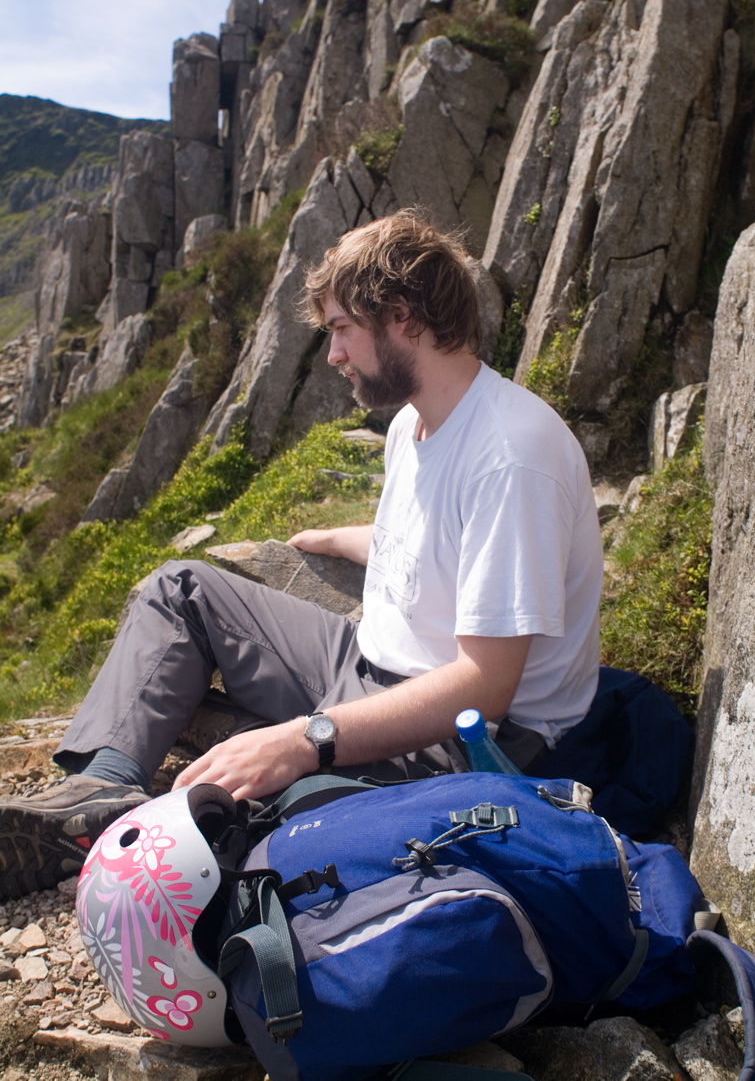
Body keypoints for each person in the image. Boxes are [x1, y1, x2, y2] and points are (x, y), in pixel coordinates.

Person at [0, 209, 603, 899]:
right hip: (365, 660)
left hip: (465, 739)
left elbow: (485, 684)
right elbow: (439, 552)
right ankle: (97, 792)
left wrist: (309, 736)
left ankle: (183, 816)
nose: (334, 355)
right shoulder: (415, 422)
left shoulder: (512, 455)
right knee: (183, 590)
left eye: (343, 329)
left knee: (269, 810)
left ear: (403, 316)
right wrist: (334, 541)